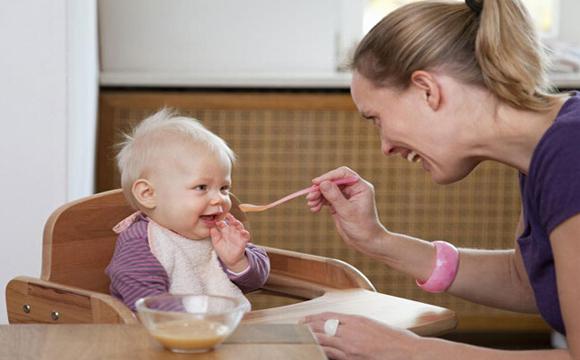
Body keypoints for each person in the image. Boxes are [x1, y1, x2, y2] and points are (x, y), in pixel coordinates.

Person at [301, 0, 580, 359]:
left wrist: (407, 351)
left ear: (426, 90)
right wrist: (377, 240)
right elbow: (528, 280)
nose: (385, 147)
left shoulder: (570, 152)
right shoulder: (546, 151)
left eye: (376, 119)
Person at [106, 109, 270, 311]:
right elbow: (149, 304)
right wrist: (193, 327)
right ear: (148, 194)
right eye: (201, 187)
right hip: (162, 336)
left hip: (224, 330)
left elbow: (255, 282)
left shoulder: (220, 229)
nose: (219, 198)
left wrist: (237, 261)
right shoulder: (142, 243)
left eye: (224, 188)